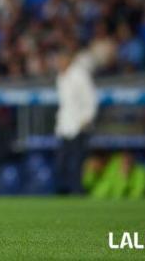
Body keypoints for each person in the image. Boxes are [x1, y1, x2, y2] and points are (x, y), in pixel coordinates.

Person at [54, 48, 97, 194]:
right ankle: (63, 190)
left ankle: (77, 191)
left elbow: (90, 98)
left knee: (77, 162)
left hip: (79, 125)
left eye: (60, 60)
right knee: (62, 161)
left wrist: (87, 119)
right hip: (65, 126)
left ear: (68, 59)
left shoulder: (79, 75)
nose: (58, 63)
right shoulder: (61, 76)